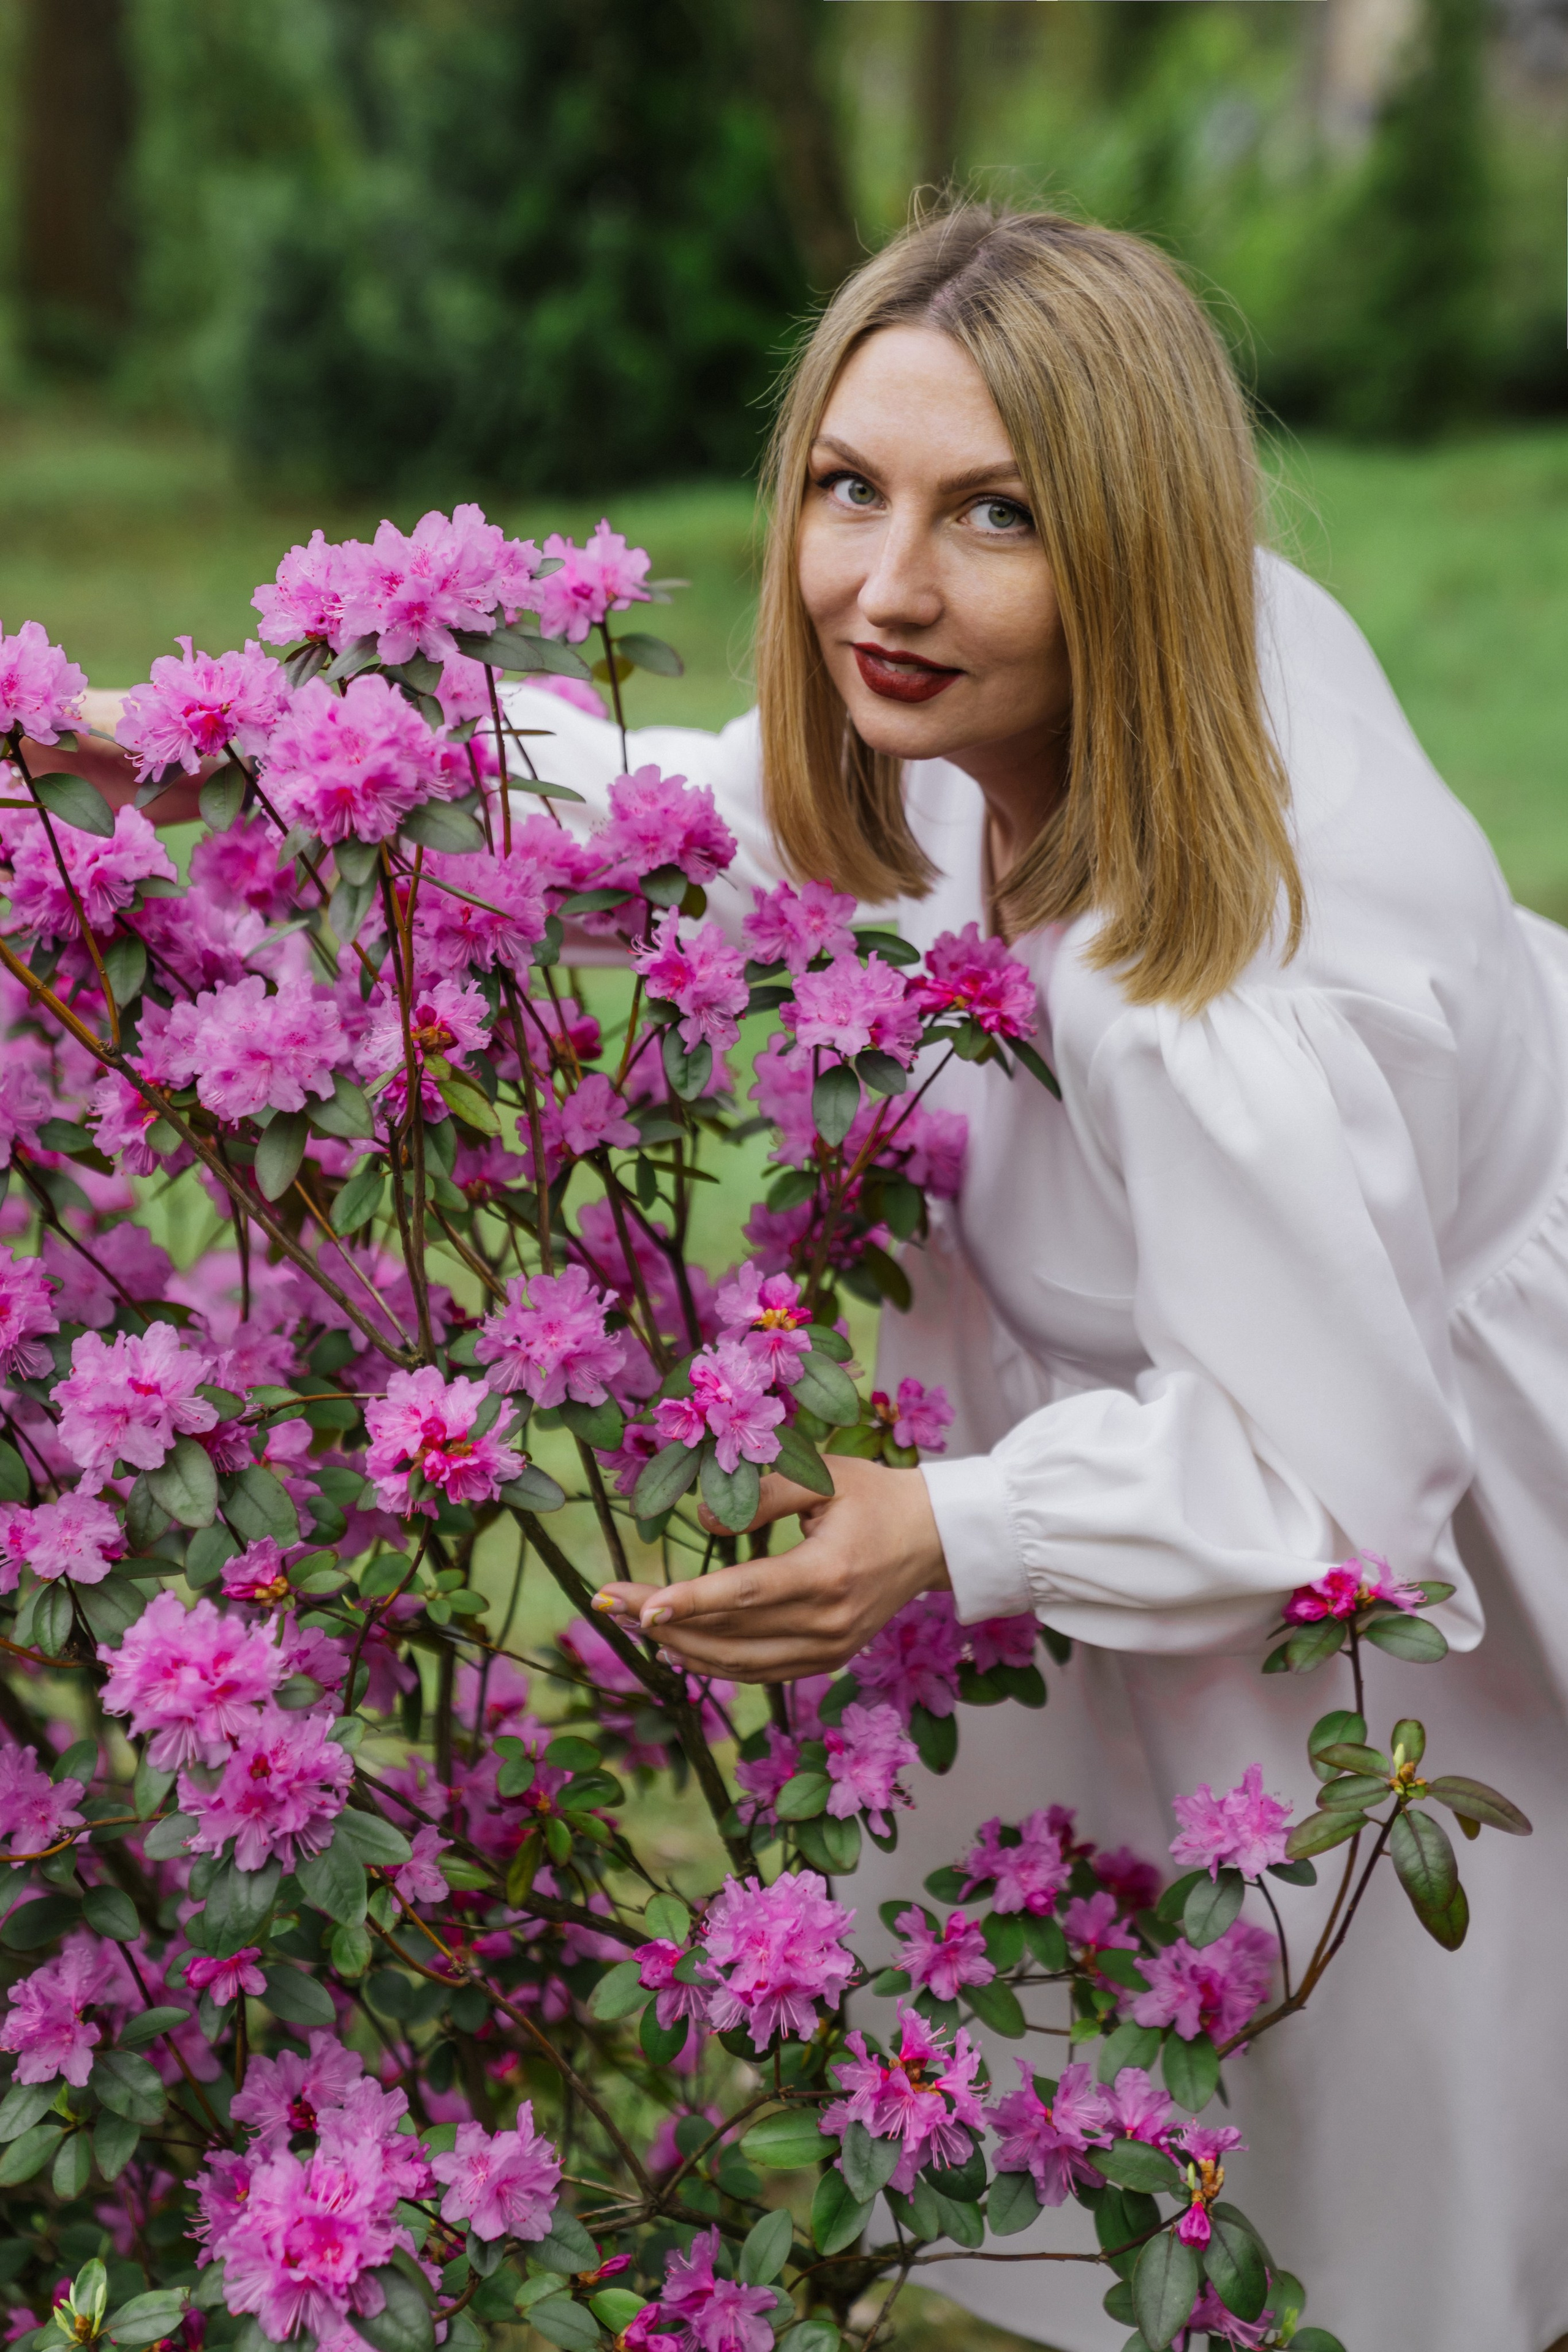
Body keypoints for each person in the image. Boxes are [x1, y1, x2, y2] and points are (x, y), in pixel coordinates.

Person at [69, 205, 1567, 2350]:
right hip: (1259, 1357)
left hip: (1378, 1435)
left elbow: (1327, 1495)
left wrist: (953, 1527)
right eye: (852, 487)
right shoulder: (1090, 683)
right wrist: (246, 749)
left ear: (1131, 541)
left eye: (996, 517)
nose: (885, 585)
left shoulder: (1204, 1001)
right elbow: (740, 817)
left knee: (1415, 2071)